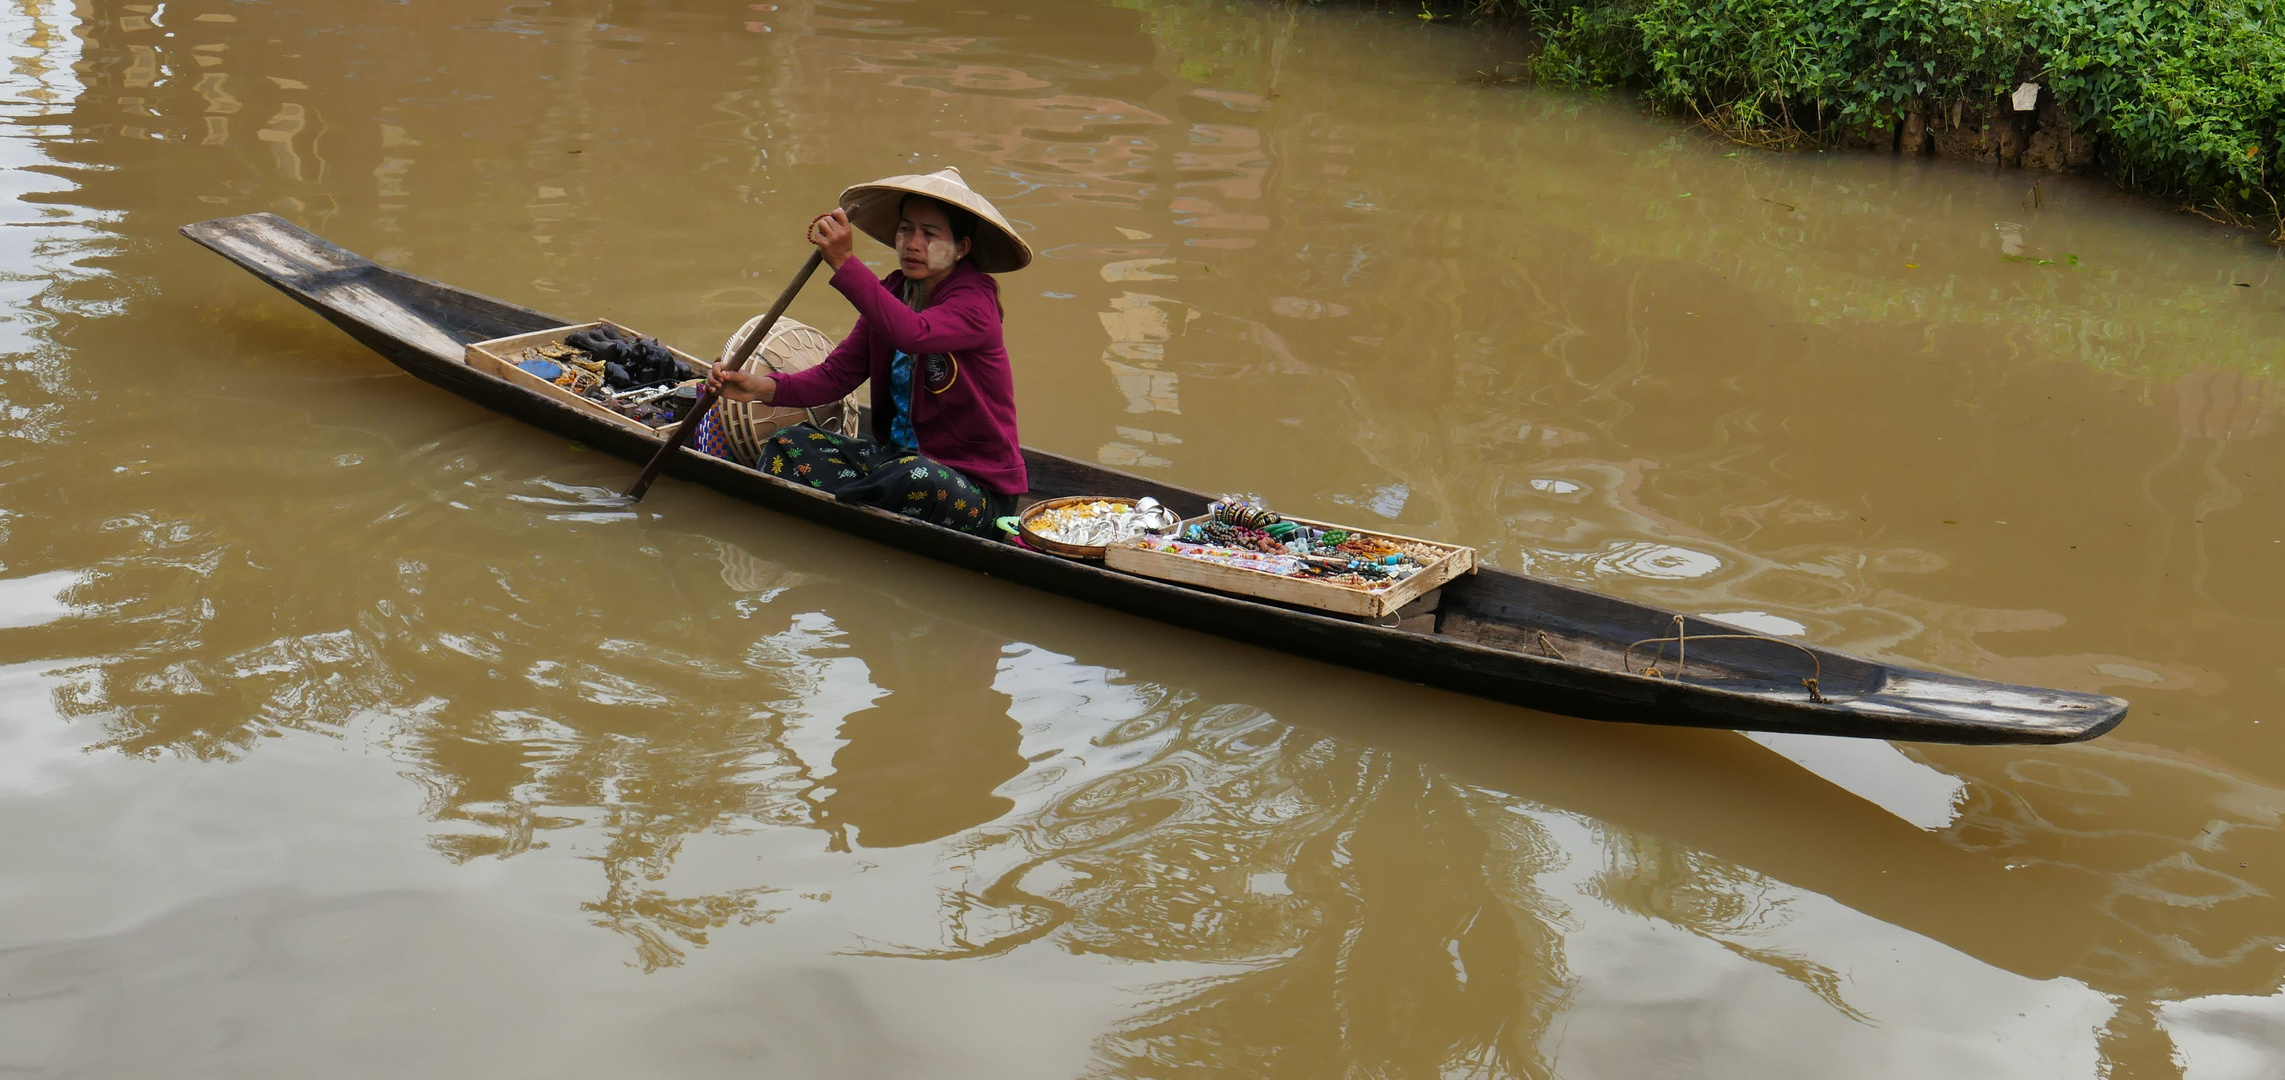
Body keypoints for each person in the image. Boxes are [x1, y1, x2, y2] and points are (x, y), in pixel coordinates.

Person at [699, 166, 1030, 535]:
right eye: (905, 229)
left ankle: (845, 507)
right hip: (893, 463)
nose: (912, 243)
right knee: (788, 443)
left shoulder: (975, 301)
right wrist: (760, 388)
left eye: (929, 234)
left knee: (914, 478)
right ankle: (857, 503)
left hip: (970, 487)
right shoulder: (891, 293)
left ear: (961, 249)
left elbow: (913, 334)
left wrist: (843, 263)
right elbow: (836, 375)